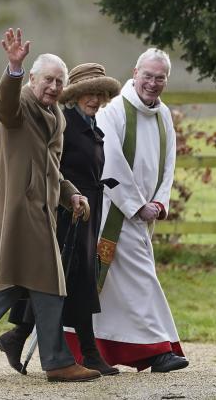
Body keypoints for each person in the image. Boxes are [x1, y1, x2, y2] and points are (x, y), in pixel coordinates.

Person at [0, 28, 101, 383]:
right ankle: (58, 361)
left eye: (60, 81)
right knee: (50, 285)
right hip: (22, 211)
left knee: (14, 285)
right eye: (48, 79)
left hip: (43, 211)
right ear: (32, 78)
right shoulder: (22, 104)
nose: (54, 87)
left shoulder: (56, 116)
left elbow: (52, 170)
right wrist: (12, 68)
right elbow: (4, 105)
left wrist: (71, 193)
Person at [0, 63, 121, 376]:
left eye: (100, 94)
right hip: (64, 213)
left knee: (73, 280)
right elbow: (51, 166)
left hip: (87, 209)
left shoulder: (91, 124)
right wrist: (66, 198)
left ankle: (17, 336)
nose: (95, 99)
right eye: (89, 93)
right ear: (75, 95)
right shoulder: (66, 123)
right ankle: (85, 353)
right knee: (66, 281)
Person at [77, 48, 190, 373]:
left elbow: (169, 161)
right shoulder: (113, 111)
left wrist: (160, 201)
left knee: (115, 288)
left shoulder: (163, 114)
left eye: (160, 78)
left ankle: (84, 347)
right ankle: (157, 350)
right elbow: (109, 161)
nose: (153, 83)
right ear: (135, 72)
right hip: (113, 212)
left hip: (144, 216)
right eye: (148, 76)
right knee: (141, 279)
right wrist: (137, 205)